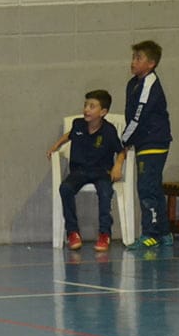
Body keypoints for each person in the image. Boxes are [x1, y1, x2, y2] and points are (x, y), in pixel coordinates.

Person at [46, 90, 126, 252]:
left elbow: (121, 151)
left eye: (92, 106)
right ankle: (72, 232)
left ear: (103, 112)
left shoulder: (109, 131)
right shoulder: (78, 124)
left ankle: (104, 233)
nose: (86, 110)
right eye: (85, 105)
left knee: (105, 192)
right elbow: (69, 135)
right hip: (79, 171)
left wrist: (117, 166)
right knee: (65, 189)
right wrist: (56, 145)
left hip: (101, 172)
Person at [120, 40, 173, 250]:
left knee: (147, 188)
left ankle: (151, 233)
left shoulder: (149, 84)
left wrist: (123, 141)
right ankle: (164, 232)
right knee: (154, 186)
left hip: (154, 142)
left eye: (138, 58)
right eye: (133, 57)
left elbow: (137, 118)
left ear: (151, 64)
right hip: (143, 142)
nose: (133, 62)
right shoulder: (132, 83)